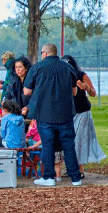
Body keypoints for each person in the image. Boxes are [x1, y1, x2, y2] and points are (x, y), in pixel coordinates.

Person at [23, 44, 82, 186]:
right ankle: (76, 178)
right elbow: (74, 92)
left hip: (44, 114)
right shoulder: (68, 67)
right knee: (68, 145)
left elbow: (26, 91)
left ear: (44, 53)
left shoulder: (37, 67)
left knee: (47, 145)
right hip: (65, 113)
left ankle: (48, 177)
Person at [61, 55, 106, 177]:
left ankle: (80, 169)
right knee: (67, 140)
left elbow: (93, 94)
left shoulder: (81, 75)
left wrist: (87, 88)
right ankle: (70, 168)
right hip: (67, 113)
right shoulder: (61, 76)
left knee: (80, 140)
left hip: (82, 111)